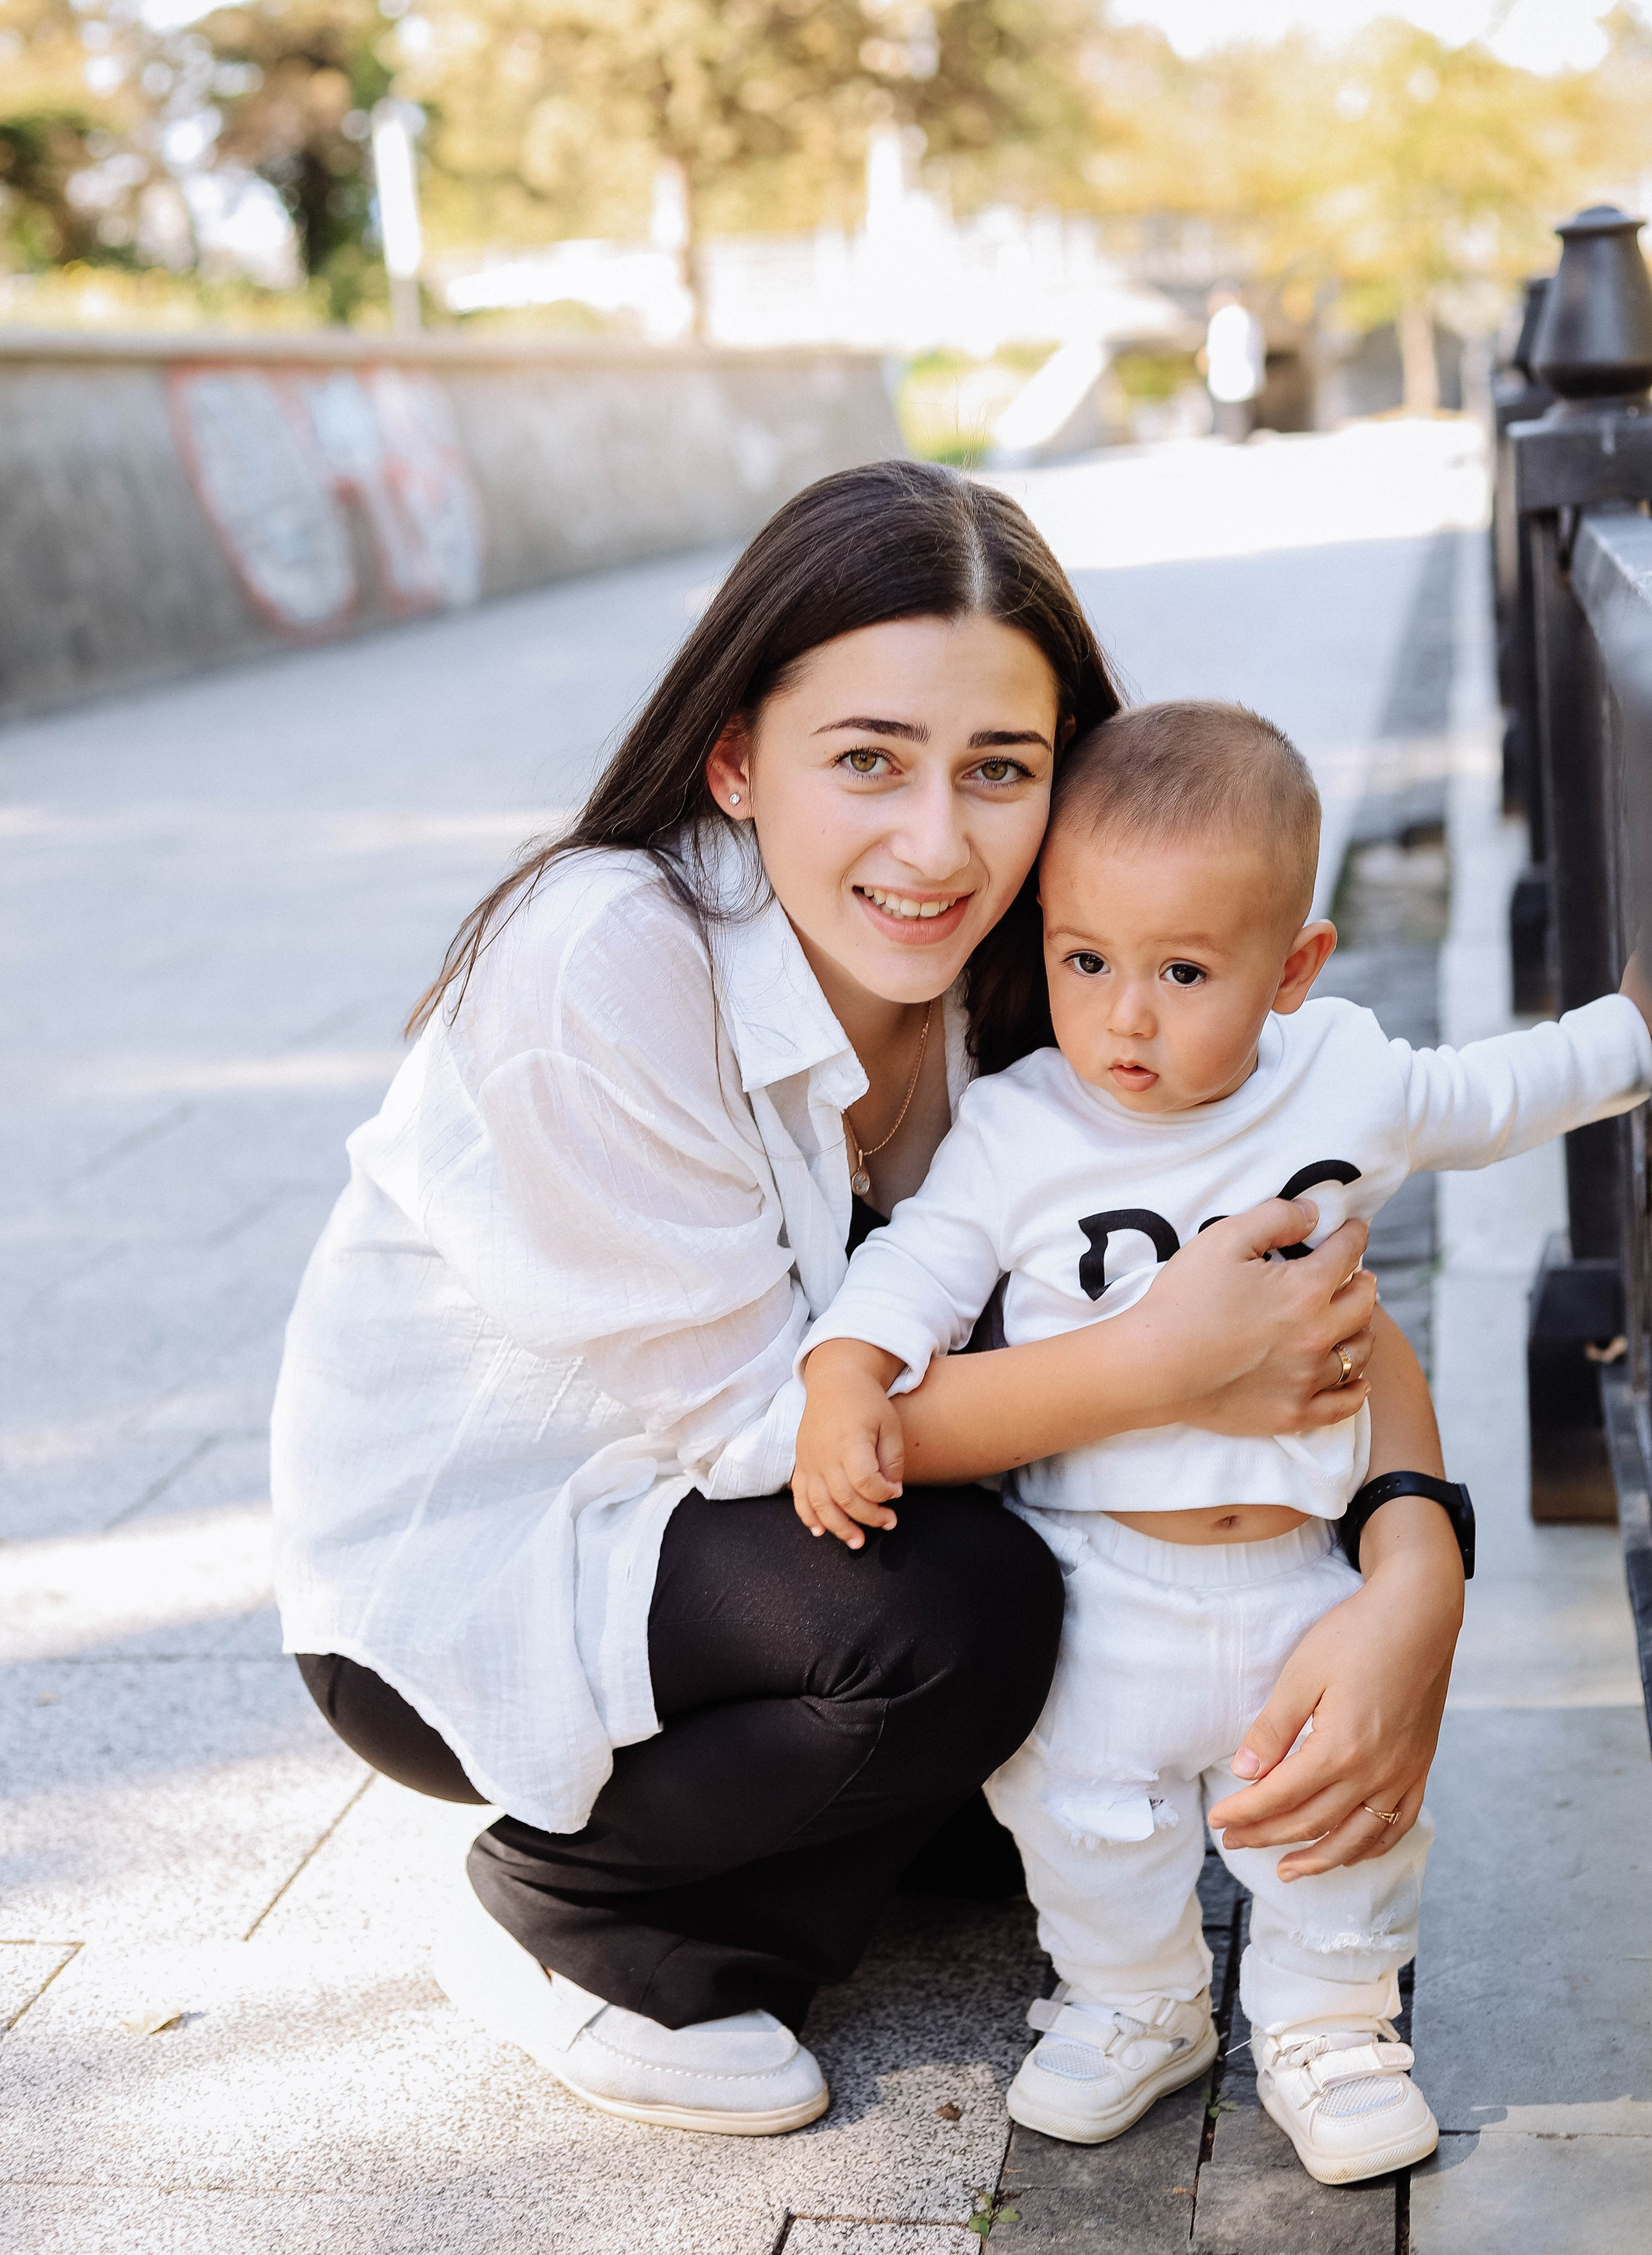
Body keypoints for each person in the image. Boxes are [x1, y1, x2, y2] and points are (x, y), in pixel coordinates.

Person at [271, 462, 1461, 2139]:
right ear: (738, 758)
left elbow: (1292, 1254)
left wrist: (1416, 1569)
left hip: (780, 1524)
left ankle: (829, 1811)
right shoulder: (602, 954)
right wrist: (1149, 1363)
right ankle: (582, 1916)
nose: (936, 841)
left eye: (1001, 771)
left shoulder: (1061, 956)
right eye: (868, 763)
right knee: (967, 1622)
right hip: (497, 1570)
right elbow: (775, 1427)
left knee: (1084, 1743)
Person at [795, 699, 1652, 2181]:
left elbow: (1501, 1093)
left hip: (1295, 1571)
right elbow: (918, 1259)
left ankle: (1327, 2021)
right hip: (1090, 1570)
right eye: (1084, 959)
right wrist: (845, 1374)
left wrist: (1631, 1028)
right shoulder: (1017, 1125)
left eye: (1182, 970)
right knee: (1081, 1812)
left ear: (1290, 967)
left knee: (1327, 1812)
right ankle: (1133, 2002)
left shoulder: (1341, 1077)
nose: (1123, 1016)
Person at [1205, 288, 1267, 441]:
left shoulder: (1223, 318)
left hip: (1230, 376)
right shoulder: (1247, 317)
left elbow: (1214, 351)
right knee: (1240, 419)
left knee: (1231, 422)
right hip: (1241, 377)